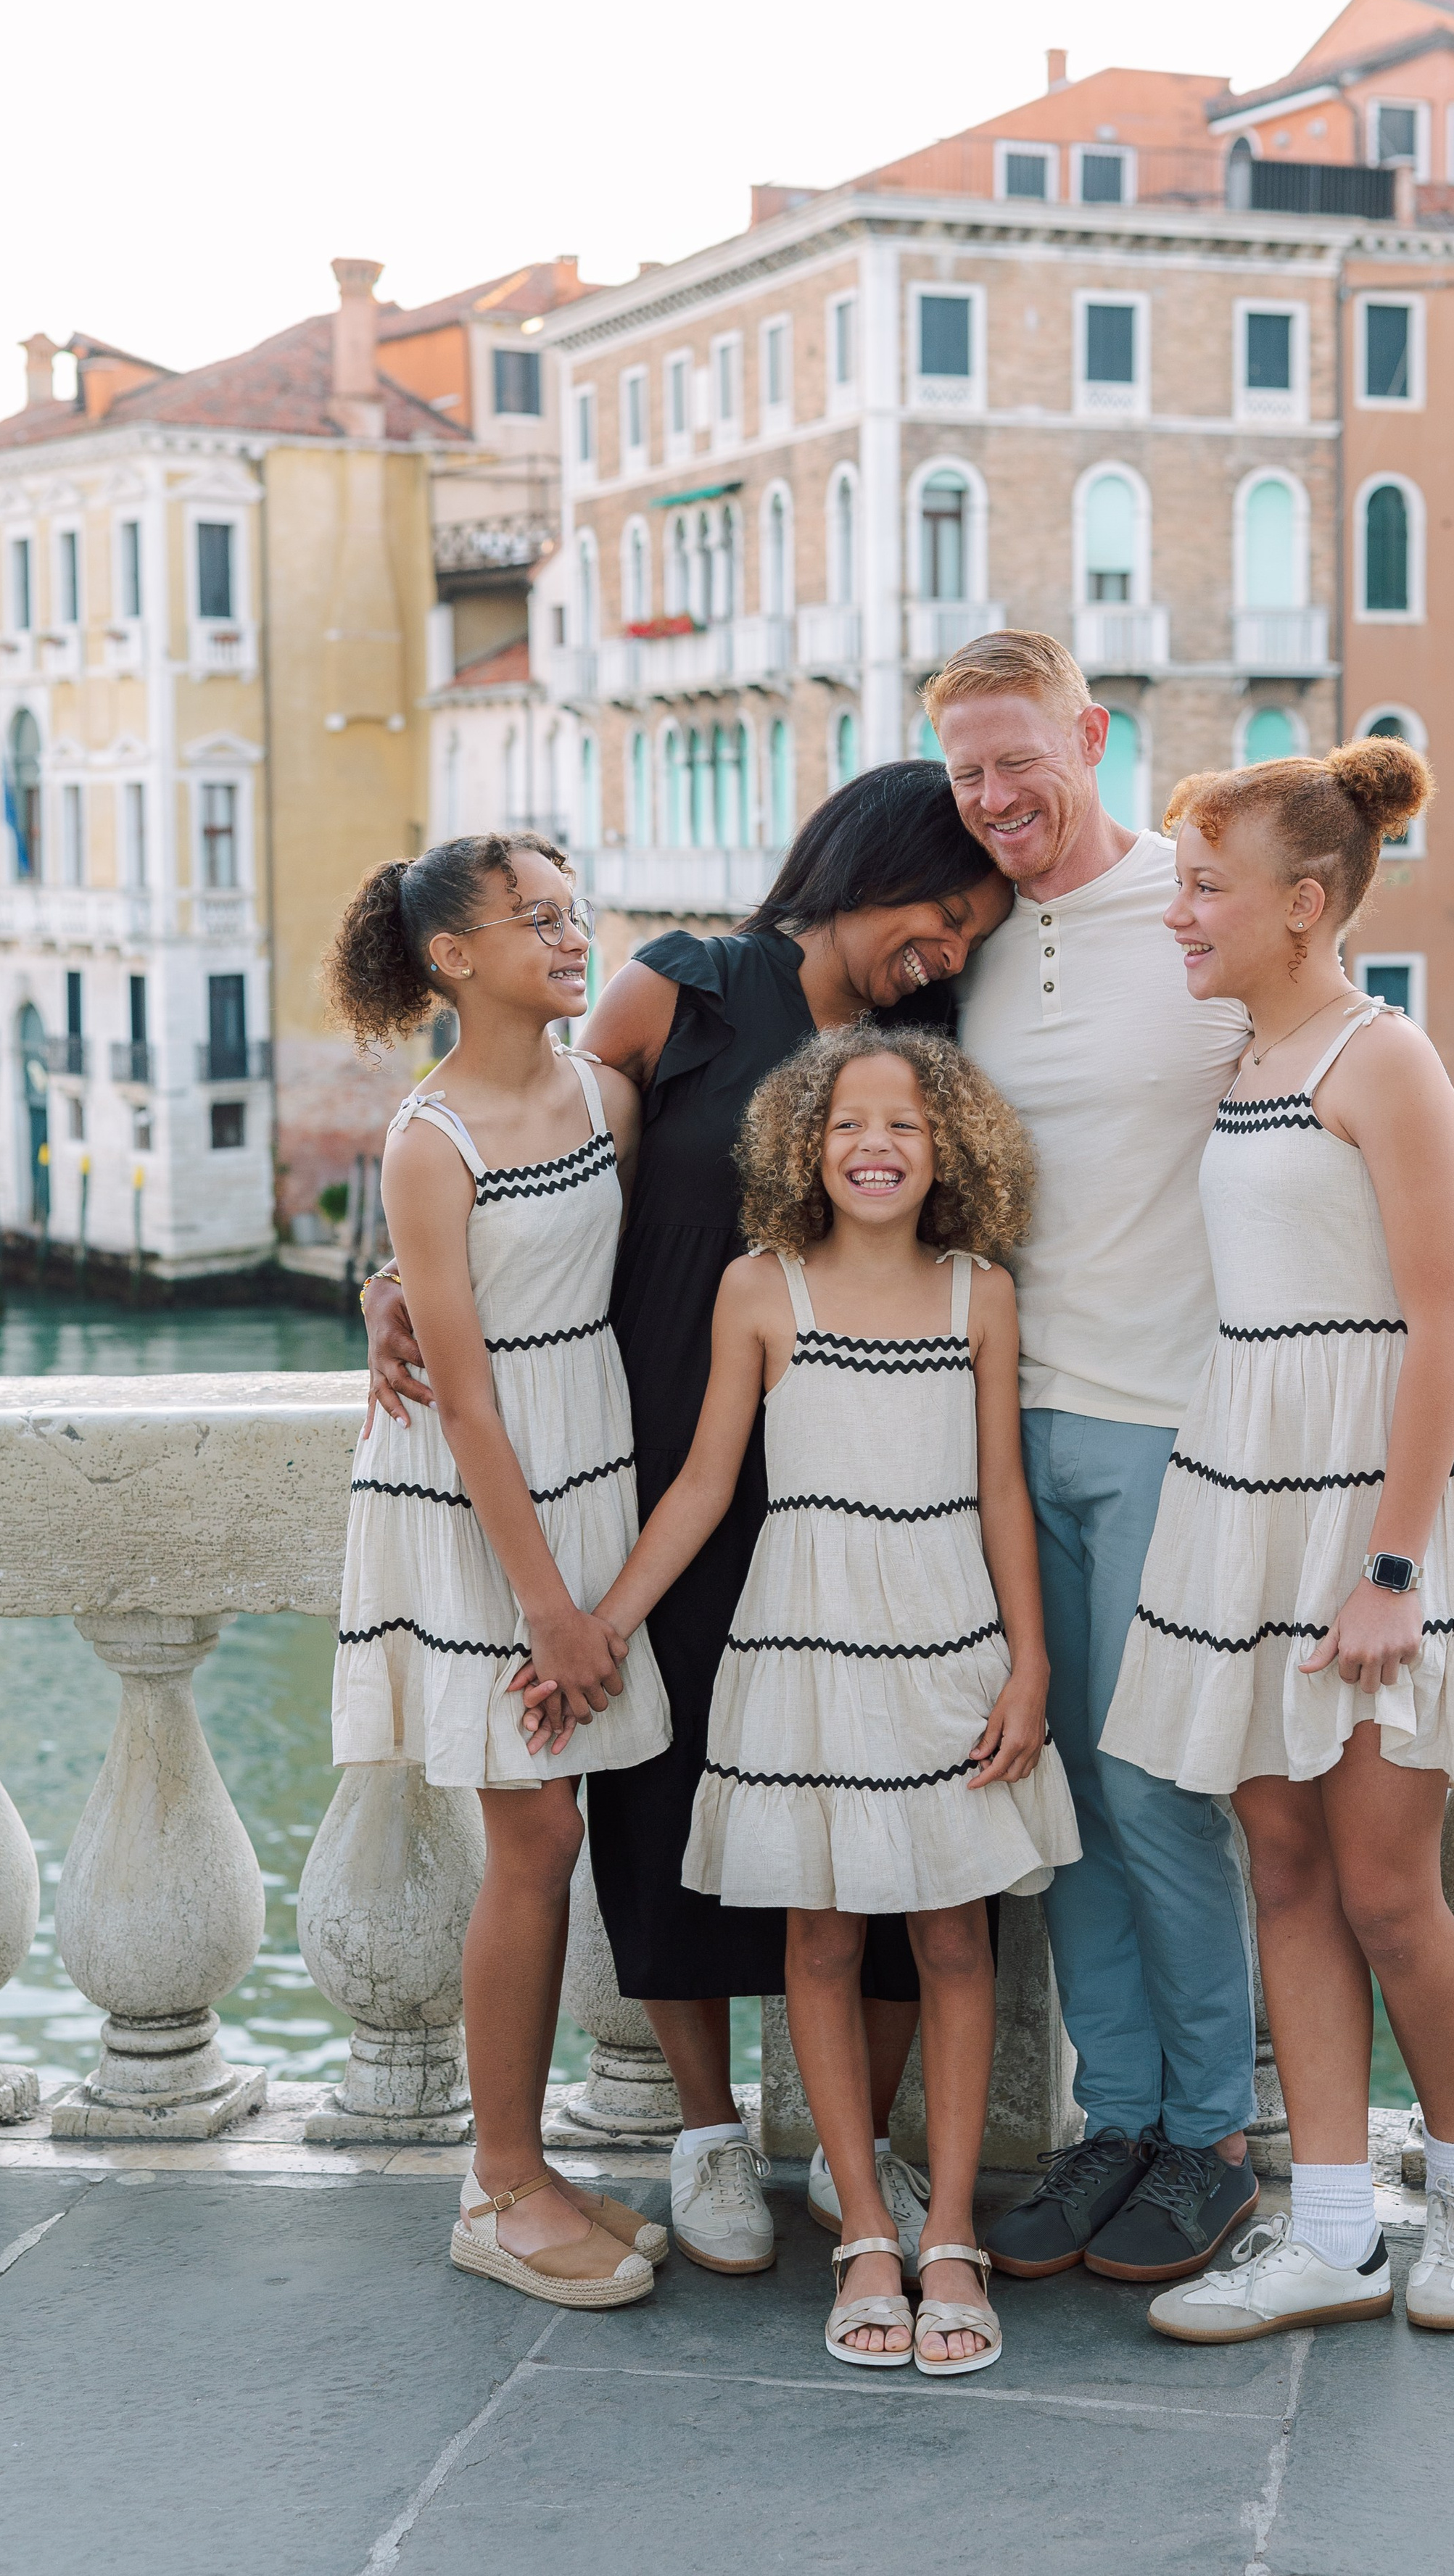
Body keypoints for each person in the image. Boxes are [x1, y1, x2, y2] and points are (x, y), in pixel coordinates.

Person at [360, 766, 1011, 2274]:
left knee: (893, 1814)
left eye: (971, 929)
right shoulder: (682, 990)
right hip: (655, 1463)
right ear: (862, 866)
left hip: (868, 1476)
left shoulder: (938, 1036)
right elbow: (524, 1156)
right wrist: (382, 1281)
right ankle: (710, 2134)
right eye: (939, 911)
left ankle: (869, 2161)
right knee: (663, 1803)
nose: (949, 948)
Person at [923, 630, 1454, 2291]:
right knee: (1090, 1815)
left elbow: (1395, 1243)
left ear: (1087, 735)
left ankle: (1226, 2142)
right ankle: (1155, 2135)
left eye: (1015, 757)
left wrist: (1441, 1287)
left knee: (1200, 1821)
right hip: (1016, 1426)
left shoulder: (1254, 978)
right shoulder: (960, 929)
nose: (990, 796)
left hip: (1202, 1437)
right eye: (962, 769)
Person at [1099, 744, 1454, 2345]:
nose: (1179, 914)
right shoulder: (1237, 1063)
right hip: (1245, 1486)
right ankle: (1336, 2230)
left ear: (1302, 902)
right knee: (1278, 1867)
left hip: (1369, 1506)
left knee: (1382, 1887)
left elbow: (1437, 1327)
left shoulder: (1382, 1054)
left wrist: (1393, 1567)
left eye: (1204, 887)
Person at [566, 1026, 1079, 2369]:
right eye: (850, 1123)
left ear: (948, 1149)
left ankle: (951, 2231)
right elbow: (701, 1486)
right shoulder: (760, 1290)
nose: (875, 1146)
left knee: (958, 1942)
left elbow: (1003, 1496)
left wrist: (1030, 1665)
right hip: (801, 1645)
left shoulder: (982, 1293)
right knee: (823, 1942)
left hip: (951, 1647)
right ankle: (861, 2227)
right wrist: (604, 1623)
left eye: (906, 1125)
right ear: (806, 1144)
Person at [324, 834, 672, 2312]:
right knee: (530, 1842)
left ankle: (524, 2166)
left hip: (589, 1464)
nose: (569, 933)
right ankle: (500, 2185)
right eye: (534, 918)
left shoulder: (604, 1092)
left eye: (571, 909)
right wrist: (549, 1607)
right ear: (454, 957)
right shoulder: (429, 1138)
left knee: (557, 1835)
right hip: (482, 1504)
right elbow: (463, 1400)